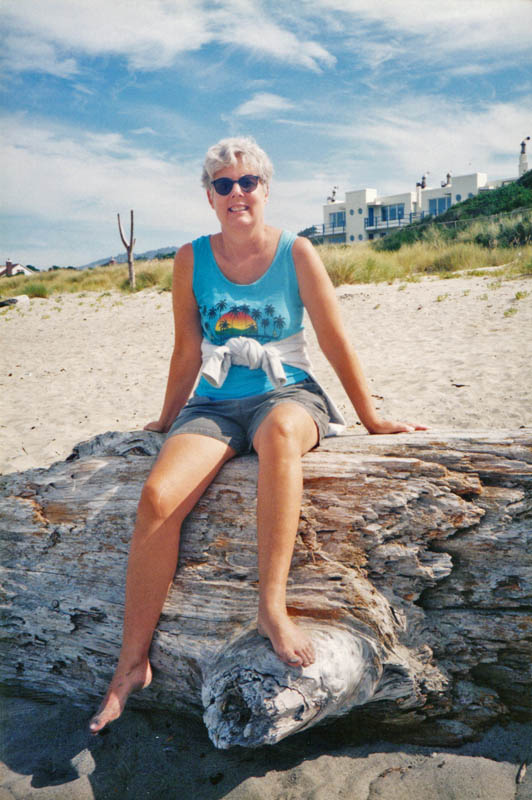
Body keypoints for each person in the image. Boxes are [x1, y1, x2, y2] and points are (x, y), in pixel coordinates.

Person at [89, 136, 426, 733]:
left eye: (248, 182)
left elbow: (333, 338)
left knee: (278, 439)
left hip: (287, 393)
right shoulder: (191, 259)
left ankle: (272, 606)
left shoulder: (296, 252)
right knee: (158, 498)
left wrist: (372, 417)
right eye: (223, 184)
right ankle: (131, 663)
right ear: (210, 196)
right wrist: (168, 418)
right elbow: (187, 347)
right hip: (216, 403)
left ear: (265, 189)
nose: (236, 192)